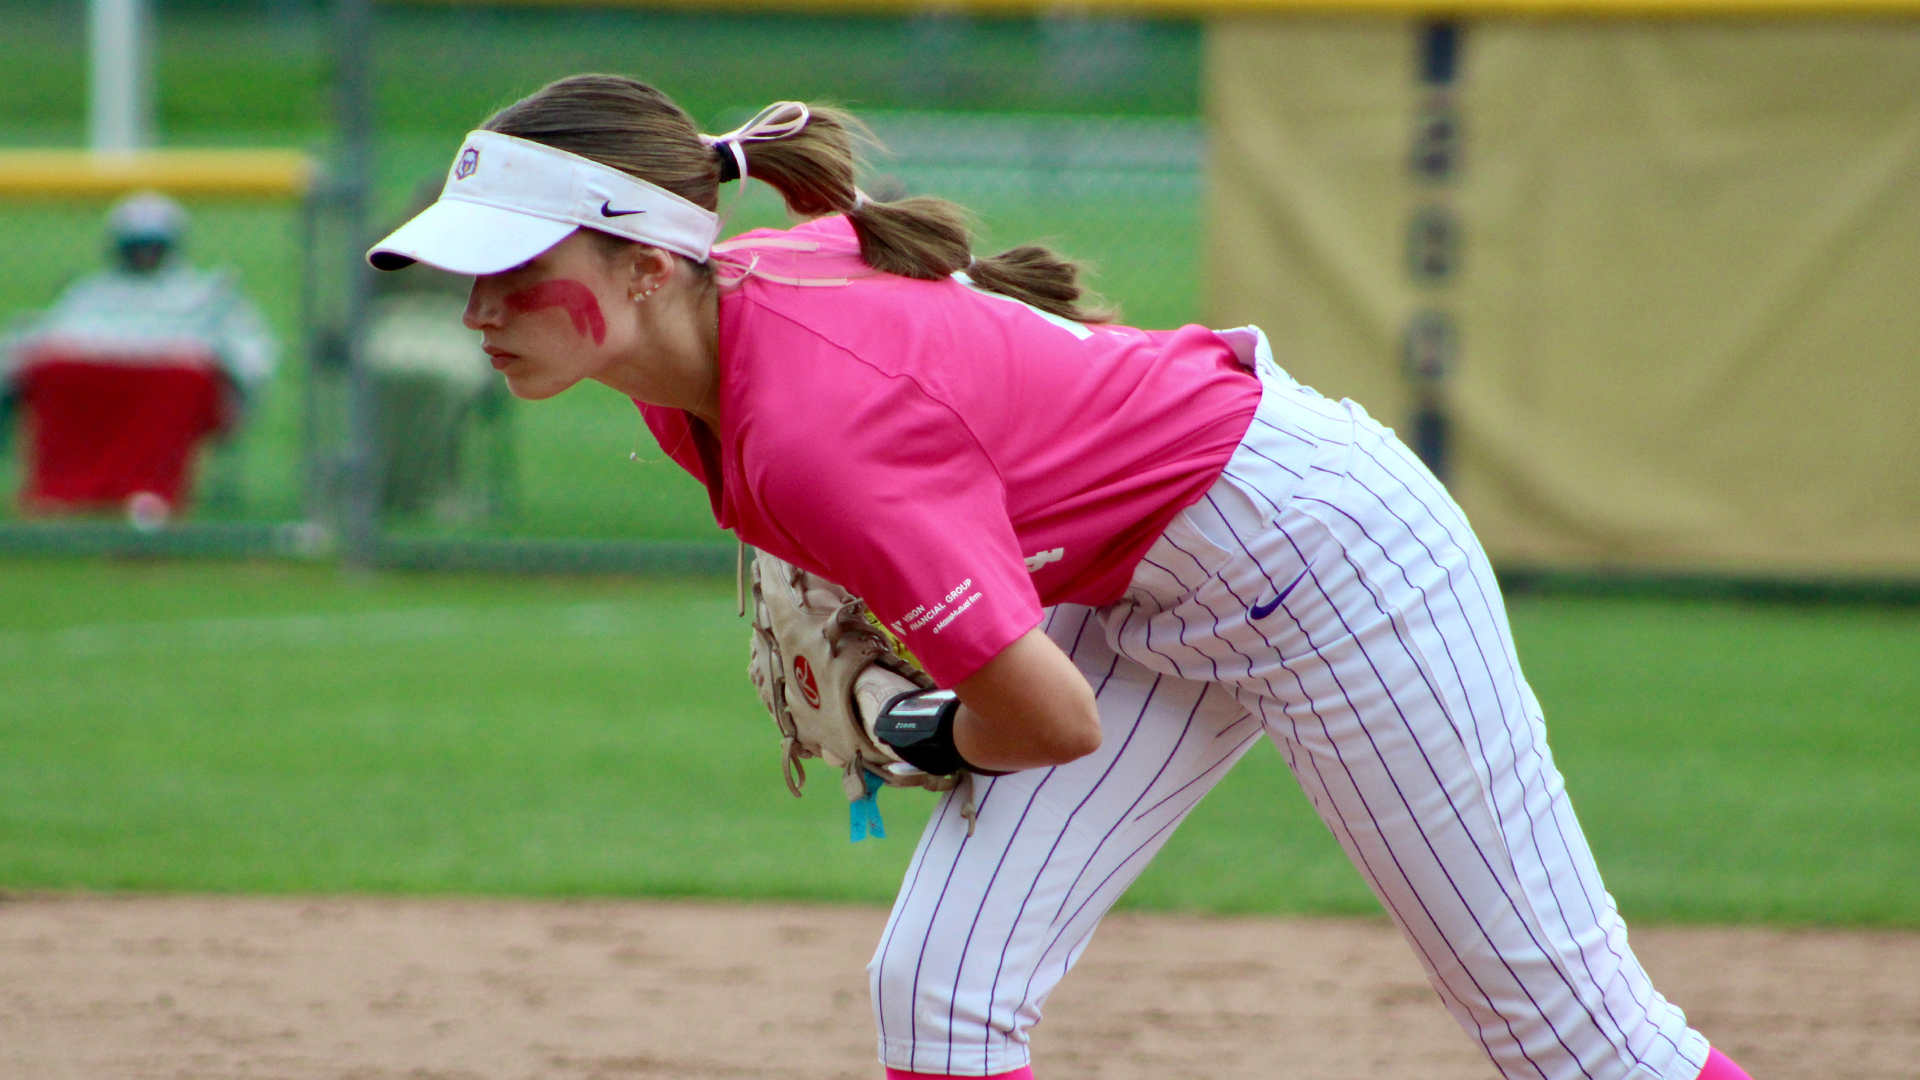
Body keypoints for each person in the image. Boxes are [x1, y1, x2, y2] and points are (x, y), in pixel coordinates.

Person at [368, 75, 1756, 1080]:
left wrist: (913, 724)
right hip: (1148, 573)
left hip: (1329, 558)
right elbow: (905, 280)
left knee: (1572, 1039)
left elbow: (1048, 724)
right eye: (464, 273)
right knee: (943, 986)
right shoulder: (711, 343)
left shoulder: (807, 438)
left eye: (516, 269)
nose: (482, 309)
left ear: (652, 261)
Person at [2, 192, 276, 518]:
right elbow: (36, 342)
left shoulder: (206, 294)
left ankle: (149, 493)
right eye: (137, 245)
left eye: (153, 245)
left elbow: (250, 355)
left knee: (181, 381)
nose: (145, 255)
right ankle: (62, 491)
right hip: (89, 391)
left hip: (166, 395)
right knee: (56, 371)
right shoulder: (89, 292)